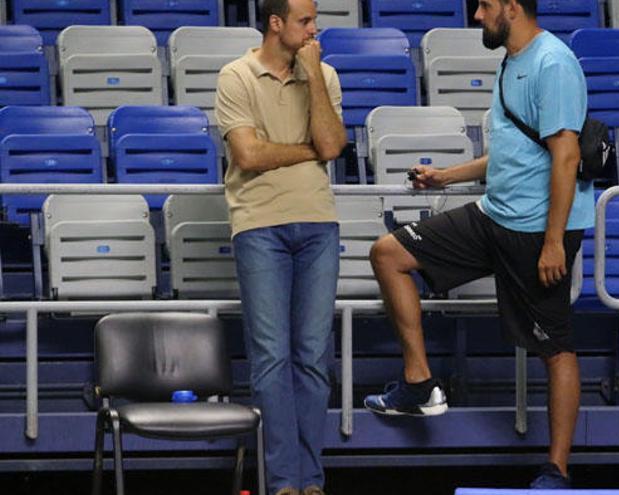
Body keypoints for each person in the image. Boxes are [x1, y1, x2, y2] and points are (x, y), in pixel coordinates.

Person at [364, 0, 593, 489]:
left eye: (484, 6)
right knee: (389, 254)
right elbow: (515, 149)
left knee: (554, 347)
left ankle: (557, 471)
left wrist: (553, 240)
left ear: (512, 6)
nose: (476, 17)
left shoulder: (553, 63)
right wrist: (445, 177)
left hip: (536, 230)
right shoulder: (512, 59)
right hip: (495, 214)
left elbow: (566, 155)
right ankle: (419, 383)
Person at [214, 0, 347, 492]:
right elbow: (248, 154)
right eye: (305, 21)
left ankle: (312, 480)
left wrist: (312, 78)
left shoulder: (324, 75)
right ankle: (283, 482)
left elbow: (332, 145)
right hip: (259, 225)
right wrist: (307, 151)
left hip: (318, 225)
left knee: (313, 356)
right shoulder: (236, 75)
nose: (316, 30)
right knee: (270, 357)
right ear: (276, 24)